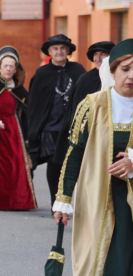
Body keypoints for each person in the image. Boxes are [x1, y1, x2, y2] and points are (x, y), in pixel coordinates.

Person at [53, 38, 133, 276]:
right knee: (101, 261)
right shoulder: (92, 105)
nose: (131, 76)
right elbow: (75, 152)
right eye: (126, 69)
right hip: (98, 198)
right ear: (112, 71)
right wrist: (63, 199)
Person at [28, 34, 85, 207]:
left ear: (68, 51)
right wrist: (34, 129)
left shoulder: (78, 70)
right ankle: (56, 200)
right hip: (50, 128)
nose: (59, 52)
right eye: (56, 49)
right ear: (50, 52)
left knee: (71, 164)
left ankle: (67, 198)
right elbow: (34, 103)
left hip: (71, 128)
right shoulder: (42, 73)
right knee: (54, 164)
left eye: (63, 48)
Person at [0, 46, 36, 210]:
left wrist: (27, 137)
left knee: (15, 165)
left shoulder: (19, 88)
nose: (8, 69)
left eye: (12, 66)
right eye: (6, 66)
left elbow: (26, 114)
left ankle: (17, 198)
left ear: (16, 69)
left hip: (13, 131)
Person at [54, 41, 115, 165]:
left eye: (102, 54)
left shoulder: (119, 78)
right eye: (95, 55)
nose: (98, 58)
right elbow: (76, 112)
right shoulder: (85, 79)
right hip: (89, 136)